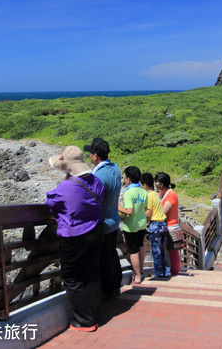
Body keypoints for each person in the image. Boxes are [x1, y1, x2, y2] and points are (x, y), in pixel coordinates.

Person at [45, 145, 104, 332]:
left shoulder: (65, 187)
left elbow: (51, 203)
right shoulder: (97, 182)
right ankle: (94, 313)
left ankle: (85, 320)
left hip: (75, 236)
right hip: (97, 230)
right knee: (91, 272)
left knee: (71, 277)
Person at [84, 138, 122, 299]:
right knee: (112, 255)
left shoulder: (99, 175)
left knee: (104, 258)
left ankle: (108, 290)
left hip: (103, 221)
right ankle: (115, 286)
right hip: (114, 218)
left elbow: (92, 200)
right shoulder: (115, 168)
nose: (89, 157)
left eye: (90, 153)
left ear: (95, 155)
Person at [118, 166, 148, 284]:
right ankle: (141, 270)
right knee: (141, 246)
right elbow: (145, 208)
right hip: (142, 223)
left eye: (125, 177)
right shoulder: (143, 191)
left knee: (133, 251)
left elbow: (129, 211)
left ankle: (137, 276)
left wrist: (119, 207)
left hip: (131, 225)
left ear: (128, 178)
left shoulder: (129, 192)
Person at [141, 172, 169, 278]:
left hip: (155, 225)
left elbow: (148, 214)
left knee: (156, 252)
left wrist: (139, 212)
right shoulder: (156, 194)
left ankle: (158, 274)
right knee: (161, 251)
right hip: (163, 224)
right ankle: (165, 272)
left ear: (144, 185)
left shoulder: (149, 196)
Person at [155, 172, 181, 276]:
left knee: (173, 252)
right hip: (165, 226)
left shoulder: (171, 195)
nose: (155, 184)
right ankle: (167, 271)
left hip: (171, 227)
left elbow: (162, 212)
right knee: (169, 251)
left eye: (156, 182)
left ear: (161, 184)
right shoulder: (161, 193)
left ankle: (175, 272)